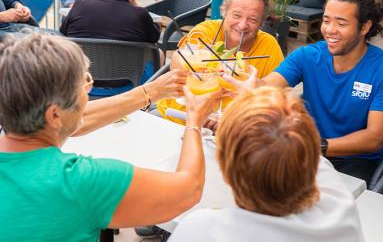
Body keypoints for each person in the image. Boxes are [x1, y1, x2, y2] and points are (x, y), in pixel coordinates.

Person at [0, 34, 219, 241]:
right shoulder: (82, 182)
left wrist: (150, 92)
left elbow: (74, 122)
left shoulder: (29, 128)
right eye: (84, 85)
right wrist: (194, 121)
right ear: (55, 114)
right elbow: (188, 190)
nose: (89, 89)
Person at [228, 0, 383, 182]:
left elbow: (374, 138)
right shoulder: (308, 56)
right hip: (306, 151)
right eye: (326, 20)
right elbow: (268, 85)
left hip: (354, 160)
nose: (330, 30)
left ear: (364, 27)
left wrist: (317, 146)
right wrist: (247, 81)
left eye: (341, 23)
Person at [169, 87, 365, 242]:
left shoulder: (202, 230)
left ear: (226, 174)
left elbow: (183, 186)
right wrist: (255, 105)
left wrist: (193, 122)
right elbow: (312, 157)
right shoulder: (340, 206)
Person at [156, 0, 284, 121]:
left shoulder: (269, 45)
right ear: (224, 11)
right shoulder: (207, 31)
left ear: (261, 23)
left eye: (252, 20)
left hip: (233, 128)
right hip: (179, 117)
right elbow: (178, 60)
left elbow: (276, 96)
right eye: (236, 15)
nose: (242, 25)